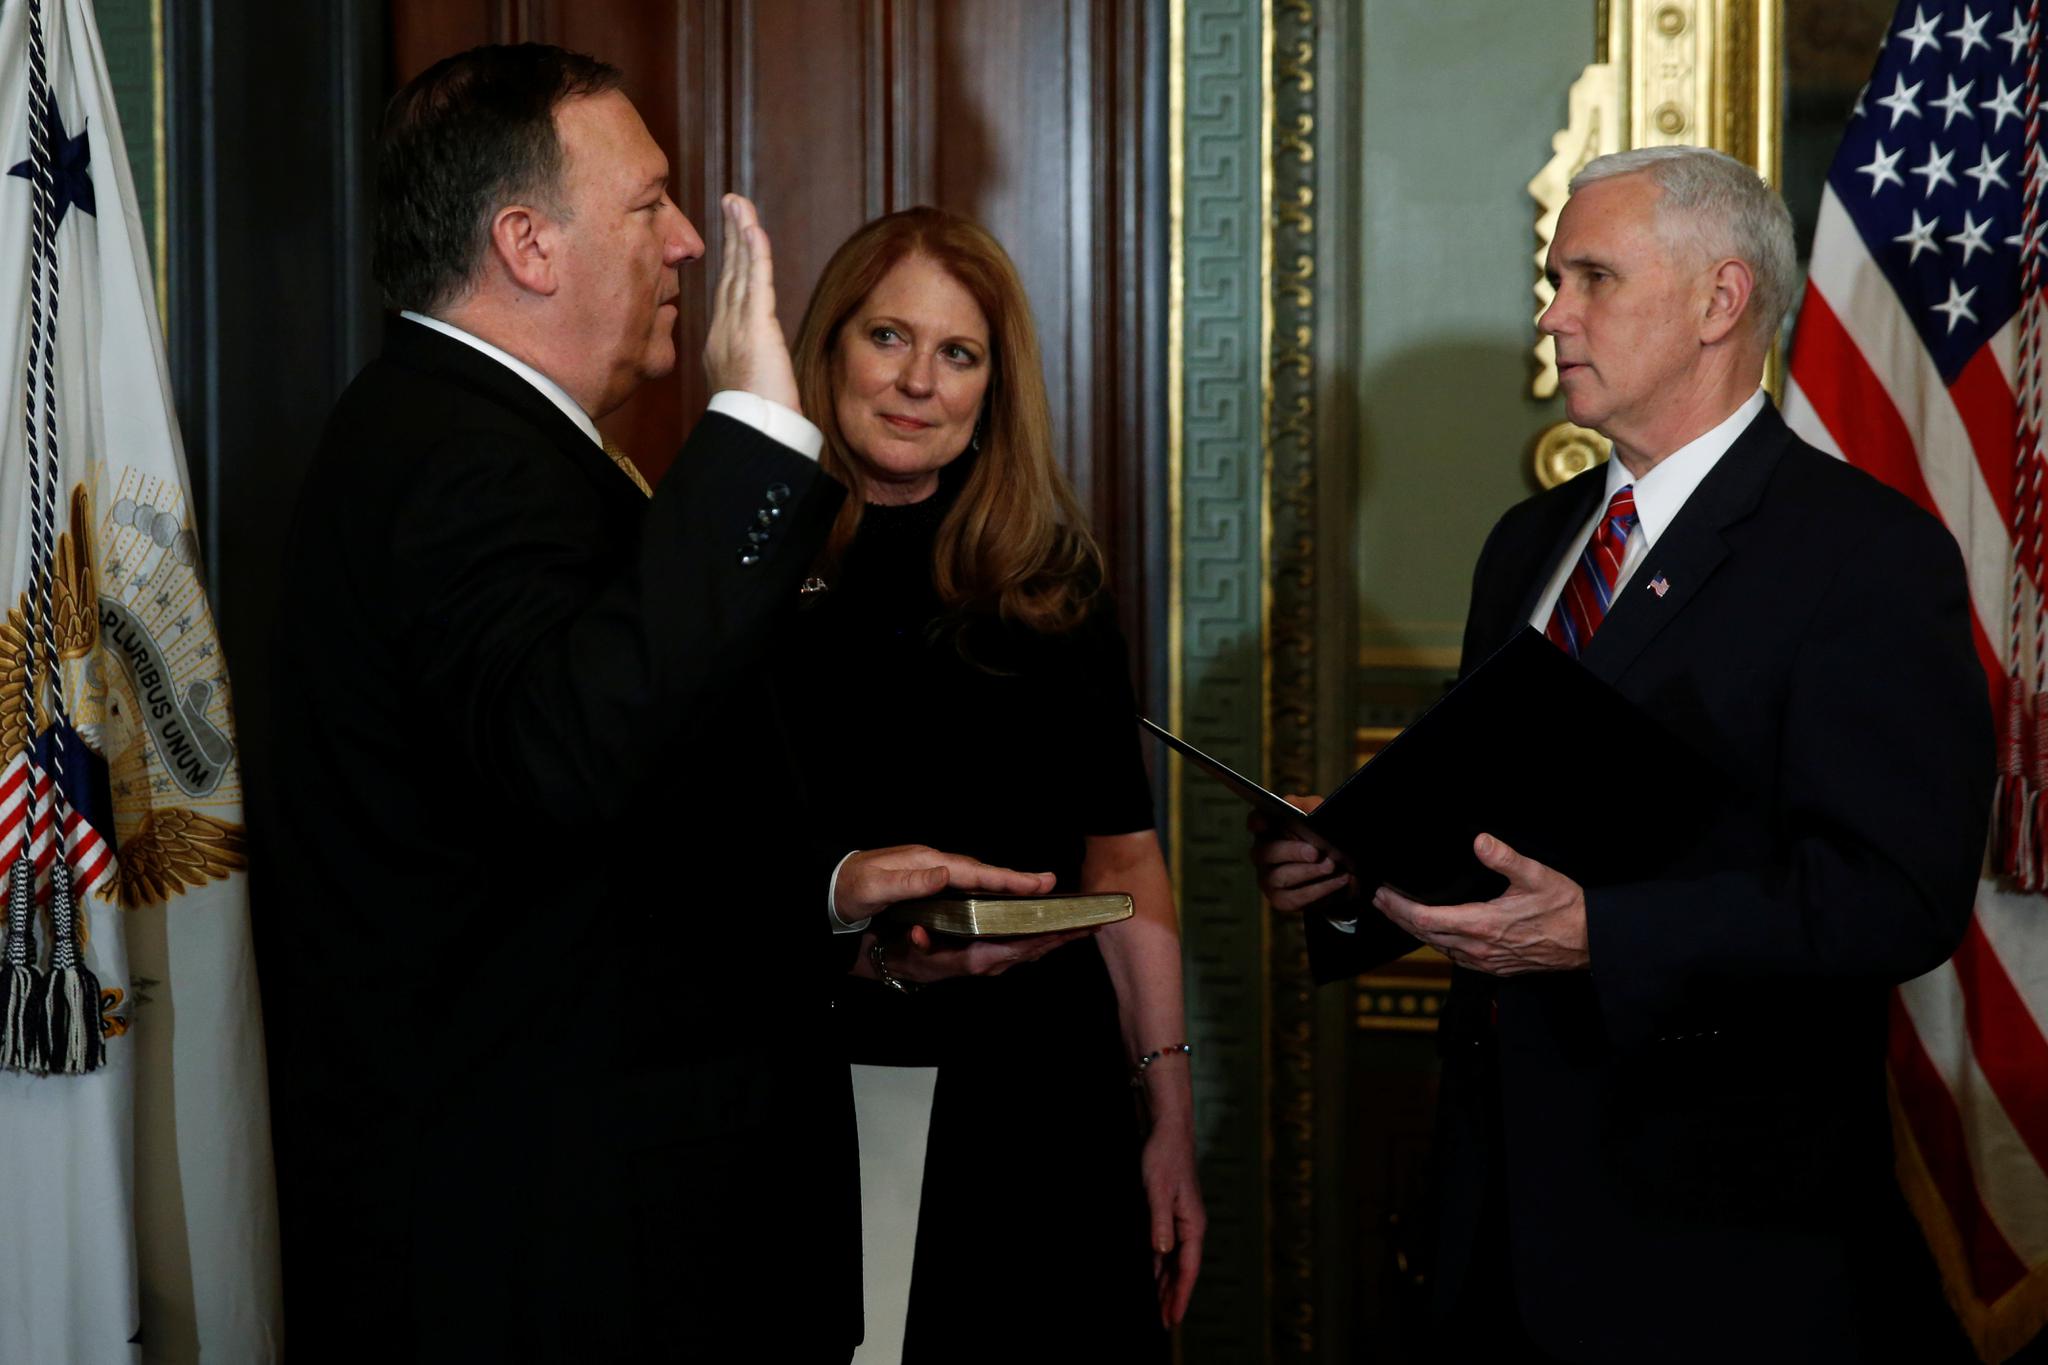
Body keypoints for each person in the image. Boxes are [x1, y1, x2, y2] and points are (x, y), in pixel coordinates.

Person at [267, 47, 1054, 1363]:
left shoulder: (489, 442)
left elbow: (596, 825)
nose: (687, 241)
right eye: (648, 206)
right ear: (527, 242)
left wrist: (831, 894)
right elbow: (572, 754)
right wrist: (753, 427)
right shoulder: (461, 460)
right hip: (554, 1249)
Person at [1253, 146, 1991, 1363]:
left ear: (1719, 300)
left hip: (1716, 1243)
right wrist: (1358, 871)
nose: (1550, 314)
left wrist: (1603, 932)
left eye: (1592, 277)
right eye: (1554, 280)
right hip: (1492, 1218)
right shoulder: (1527, 542)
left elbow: (1893, 899)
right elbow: (1502, 828)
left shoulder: (1863, 555)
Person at [776, 206, 1204, 1362]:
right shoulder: (738, 565)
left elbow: (1121, 861)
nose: (917, 382)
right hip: (802, 1087)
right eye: (887, 338)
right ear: (829, 350)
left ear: (991, 387)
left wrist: (1165, 1111)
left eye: (956, 353)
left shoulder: (1050, 582)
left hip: (1035, 1100)